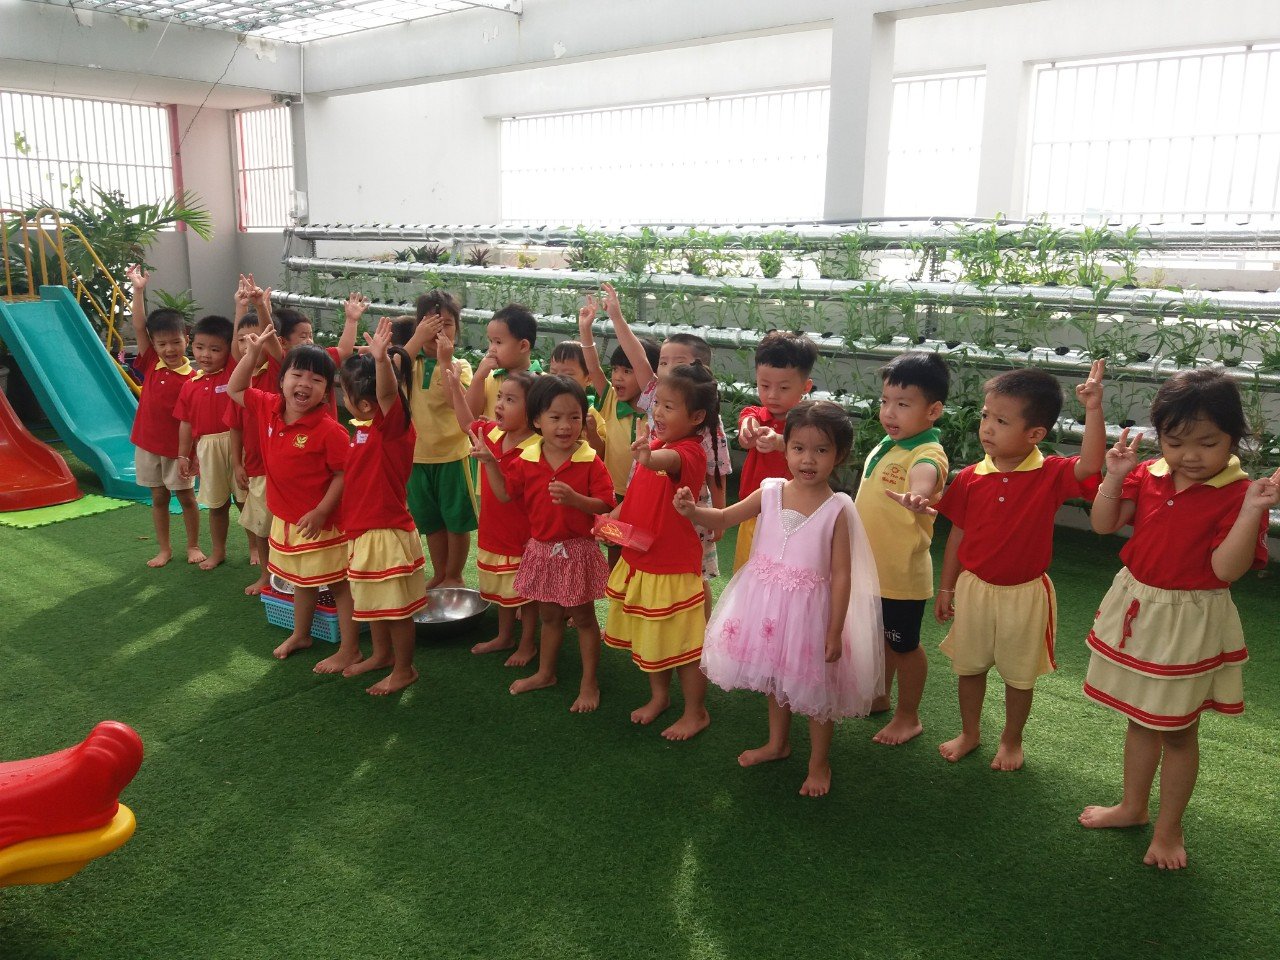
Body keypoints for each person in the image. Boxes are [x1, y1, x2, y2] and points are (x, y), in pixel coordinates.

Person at [1078, 370, 1278, 870]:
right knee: (1140, 717)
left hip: (1191, 620)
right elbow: (1103, 524)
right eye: (1175, 442)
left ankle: (1169, 830)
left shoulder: (1240, 494)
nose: (1190, 455)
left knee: (1178, 730)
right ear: (1160, 437)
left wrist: (1252, 510)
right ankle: (1132, 807)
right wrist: (1114, 477)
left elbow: (1225, 570)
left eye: (1207, 443)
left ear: (1234, 438)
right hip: (1138, 606)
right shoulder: (1149, 473)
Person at [893, 362, 1107, 771]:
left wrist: (1093, 409)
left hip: (1024, 595)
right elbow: (958, 535)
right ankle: (970, 733)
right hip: (974, 590)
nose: (987, 428)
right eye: (985, 416)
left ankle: (1011, 740)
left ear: (1035, 434)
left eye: (1001, 421)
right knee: (969, 668)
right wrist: (947, 587)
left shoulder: (1050, 473)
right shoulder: (971, 477)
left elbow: (1091, 465)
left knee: (1018, 676)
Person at [679, 400, 883, 797]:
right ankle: (777, 743)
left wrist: (834, 629)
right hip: (766, 607)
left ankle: (819, 763)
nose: (808, 459)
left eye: (821, 450)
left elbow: (843, 574)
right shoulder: (770, 491)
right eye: (799, 448)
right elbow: (724, 518)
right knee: (776, 679)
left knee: (815, 691)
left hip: (811, 614)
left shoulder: (838, 508)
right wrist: (693, 511)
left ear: (839, 455)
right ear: (785, 448)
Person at [471, 375, 616, 713]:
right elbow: (505, 494)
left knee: (583, 618)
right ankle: (545, 673)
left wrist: (576, 500)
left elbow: (605, 503)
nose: (565, 426)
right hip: (541, 549)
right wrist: (490, 462)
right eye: (555, 417)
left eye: (574, 417)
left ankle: (589, 682)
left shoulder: (590, 460)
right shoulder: (526, 459)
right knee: (549, 616)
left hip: (577, 550)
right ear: (537, 420)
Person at [228, 328, 359, 673]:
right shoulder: (269, 406)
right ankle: (301, 634)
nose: (305, 384)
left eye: (316, 380)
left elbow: (344, 475)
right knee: (302, 580)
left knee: (340, 584)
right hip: (287, 519)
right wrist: (251, 355)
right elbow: (235, 388)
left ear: (326, 391)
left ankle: (350, 649)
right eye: (297, 375)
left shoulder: (330, 430)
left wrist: (321, 511)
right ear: (282, 380)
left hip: (322, 524)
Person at [603, 362, 719, 741]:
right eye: (658, 404)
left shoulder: (689, 452)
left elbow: (667, 464)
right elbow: (639, 494)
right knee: (650, 637)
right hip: (642, 559)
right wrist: (613, 519)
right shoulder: (656, 444)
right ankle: (660, 697)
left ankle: (696, 712)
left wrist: (649, 458)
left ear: (696, 417)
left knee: (684, 646)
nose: (659, 412)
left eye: (670, 406)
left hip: (670, 568)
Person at [598, 283, 731, 607]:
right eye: (663, 362)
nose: (666, 369)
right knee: (645, 559)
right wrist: (616, 317)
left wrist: (719, 515)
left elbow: (717, 470)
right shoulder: (657, 394)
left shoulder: (707, 422)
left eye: (677, 363)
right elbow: (637, 356)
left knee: (694, 573)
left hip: (685, 506)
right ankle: (644, 617)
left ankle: (697, 630)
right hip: (649, 495)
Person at [854, 352, 950, 746]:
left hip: (900, 578)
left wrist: (918, 494)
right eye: (885, 401)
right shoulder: (890, 442)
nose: (889, 412)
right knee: (879, 640)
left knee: (904, 646)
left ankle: (908, 717)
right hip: (870, 570)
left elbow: (925, 475)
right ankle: (879, 695)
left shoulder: (927, 452)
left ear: (933, 411)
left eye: (903, 404)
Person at [336, 318, 428, 695]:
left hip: (385, 532)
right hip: (363, 530)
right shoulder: (362, 428)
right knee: (374, 602)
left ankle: (404, 669)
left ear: (363, 403)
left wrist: (381, 362)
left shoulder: (392, 428)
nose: (341, 399)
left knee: (395, 608)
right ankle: (381, 655)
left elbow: (388, 394)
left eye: (344, 393)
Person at [444, 364, 539, 666]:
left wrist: (489, 462)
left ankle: (527, 644)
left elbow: (507, 493)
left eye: (510, 400)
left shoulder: (536, 448)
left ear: (532, 412)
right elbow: (466, 424)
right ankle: (504, 636)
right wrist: (456, 390)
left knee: (525, 596)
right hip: (494, 530)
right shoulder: (493, 433)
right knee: (502, 590)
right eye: (500, 397)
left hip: (522, 536)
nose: (499, 404)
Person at [124, 265, 201, 568]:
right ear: (154, 345)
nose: (169, 349)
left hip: (178, 451)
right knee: (158, 498)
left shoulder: (194, 379)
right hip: (148, 445)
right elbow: (139, 325)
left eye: (175, 342)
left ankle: (193, 545)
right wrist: (138, 290)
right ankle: (164, 549)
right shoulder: (151, 363)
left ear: (186, 338)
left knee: (187, 498)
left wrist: (192, 454)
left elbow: (196, 423)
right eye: (162, 343)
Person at [403, 290, 478, 591]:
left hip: (453, 456)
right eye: (430, 323)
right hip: (416, 457)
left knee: (456, 520)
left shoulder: (461, 366)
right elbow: (389, 372)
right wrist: (415, 340)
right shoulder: (409, 362)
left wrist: (446, 361)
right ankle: (440, 572)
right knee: (430, 521)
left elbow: (453, 401)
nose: (439, 331)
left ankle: (454, 575)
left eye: (446, 324)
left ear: (457, 329)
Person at [733, 330, 818, 572]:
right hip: (754, 512)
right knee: (746, 573)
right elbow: (745, 438)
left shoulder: (810, 421)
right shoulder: (754, 414)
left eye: (783, 387)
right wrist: (748, 431)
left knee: (785, 575)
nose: (772, 395)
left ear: (805, 386)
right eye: (764, 385)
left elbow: (809, 448)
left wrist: (780, 442)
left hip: (794, 515)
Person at [576, 298, 660, 513]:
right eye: (615, 369)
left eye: (627, 371)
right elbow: (593, 368)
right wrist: (585, 330)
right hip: (612, 489)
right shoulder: (611, 400)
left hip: (646, 491)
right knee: (610, 533)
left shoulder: (659, 411)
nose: (617, 377)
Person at [227, 278, 282, 595]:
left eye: (255, 340)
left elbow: (270, 337)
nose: (249, 346)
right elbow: (235, 427)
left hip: (282, 467)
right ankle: (266, 574)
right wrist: (237, 463)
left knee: (286, 526)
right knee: (261, 526)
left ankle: (289, 574)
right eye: (243, 342)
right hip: (257, 468)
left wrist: (261, 307)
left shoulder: (276, 374)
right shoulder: (241, 385)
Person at [174, 313, 238, 571]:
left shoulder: (233, 373)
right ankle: (218, 551)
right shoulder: (190, 385)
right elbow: (185, 423)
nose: (205, 355)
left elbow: (238, 345)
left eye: (215, 349)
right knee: (217, 504)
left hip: (237, 443)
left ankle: (256, 548)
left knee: (246, 501)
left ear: (228, 350)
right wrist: (183, 455)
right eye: (200, 347)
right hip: (207, 448)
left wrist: (240, 306)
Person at [465, 303, 539, 420]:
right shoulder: (489, 378)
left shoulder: (540, 383)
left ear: (523, 346)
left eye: (498, 342)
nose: (491, 349)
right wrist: (478, 378)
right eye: (491, 341)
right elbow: (470, 415)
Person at [547, 339, 607, 455]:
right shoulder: (544, 407)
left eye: (568, 374)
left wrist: (592, 433)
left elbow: (602, 453)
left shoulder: (595, 413)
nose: (558, 379)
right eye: (553, 373)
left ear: (588, 379)